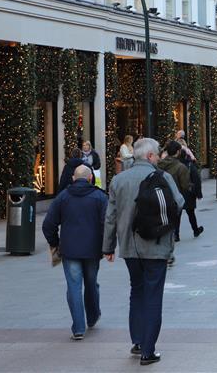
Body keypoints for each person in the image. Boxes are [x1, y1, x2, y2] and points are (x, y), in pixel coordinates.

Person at [103, 138, 184, 366]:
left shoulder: (118, 180)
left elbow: (110, 216)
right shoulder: (163, 178)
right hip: (156, 245)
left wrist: (107, 247)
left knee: (136, 291)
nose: (158, 157)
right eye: (157, 154)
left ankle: (138, 341)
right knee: (153, 295)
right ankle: (149, 350)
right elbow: (179, 203)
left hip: (129, 247)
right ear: (150, 156)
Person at [42, 164, 107, 340]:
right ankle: (92, 316)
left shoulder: (63, 197)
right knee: (91, 283)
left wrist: (55, 243)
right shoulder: (100, 197)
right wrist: (106, 246)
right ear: (90, 178)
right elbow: (106, 224)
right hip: (93, 249)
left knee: (74, 287)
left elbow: (48, 224)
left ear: (72, 178)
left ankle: (78, 328)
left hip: (70, 249)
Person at [158, 141, 197, 242]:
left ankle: (172, 234)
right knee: (177, 214)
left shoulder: (159, 164)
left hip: (160, 195)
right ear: (178, 151)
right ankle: (175, 234)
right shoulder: (181, 167)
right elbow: (185, 185)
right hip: (175, 195)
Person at [178, 139, 205, 238]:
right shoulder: (190, 166)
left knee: (178, 214)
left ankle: (176, 234)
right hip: (189, 192)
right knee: (191, 213)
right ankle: (195, 230)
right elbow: (197, 180)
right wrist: (199, 194)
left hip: (177, 192)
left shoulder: (175, 165)